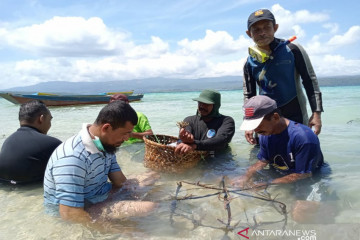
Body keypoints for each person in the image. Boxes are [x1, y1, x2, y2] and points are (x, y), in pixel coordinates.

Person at [43, 101, 158, 229]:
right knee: (150, 207)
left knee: (152, 176)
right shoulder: (72, 158)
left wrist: (135, 194)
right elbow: (69, 214)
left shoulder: (105, 144)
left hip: (100, 194)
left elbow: (120, 181)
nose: (127, 138)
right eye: (125, 133)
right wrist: (120, 230)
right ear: (106, 128)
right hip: (84, 207)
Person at [232, 95, 329, 223]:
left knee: (299, 214)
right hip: (283, 172)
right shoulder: (265, 134)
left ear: (275, 117)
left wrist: (269, 183)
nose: (255, 130)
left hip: (310, 176)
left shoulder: (304, 138)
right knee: (231, 182)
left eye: (257, 125)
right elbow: (263, 160)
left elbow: (304, 174)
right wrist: (247, 175)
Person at [243, 9, 323, 145]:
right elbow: (249, 95)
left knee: (300, 149)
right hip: (264, 117)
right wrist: (248, 122)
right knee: (264, 157)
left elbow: (310, 81)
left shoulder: (293, 49)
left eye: (267, 28)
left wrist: (317, 114)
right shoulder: (249, 62)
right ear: (249, 34)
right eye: (256, 30)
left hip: (295, 112)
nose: (262, 33)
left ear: (275, 28)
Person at [0, 100, 61, 184]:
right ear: (41, 119)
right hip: (32, 190)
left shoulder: (7, 142)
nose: (50, 124)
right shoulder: (52, 144)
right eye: (50, 119)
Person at [175, 89, 235, 155]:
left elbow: (220, 141)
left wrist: (195, 145)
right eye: (200, 102)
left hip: (219, 160)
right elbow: (186, 135)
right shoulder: (189, 120)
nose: (201, 106)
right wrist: (184, 138)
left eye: (206, 104)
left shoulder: (226, 121)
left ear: (215, 106)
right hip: (196, 158)